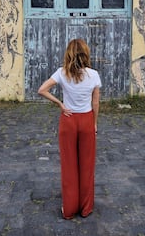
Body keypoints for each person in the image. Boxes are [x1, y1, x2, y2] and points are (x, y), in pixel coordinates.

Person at [38, 39, 101, 220]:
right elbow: (95, 102)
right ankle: (86, 208)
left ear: (69, 54)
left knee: (69, 165)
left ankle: (69, 209)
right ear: (86, 53)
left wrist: (60, 104)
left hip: (68, 120)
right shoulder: (94, 75)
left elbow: (42, 89)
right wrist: (94, 123)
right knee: (87, 166)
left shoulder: (62, 73)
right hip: (87, 120)